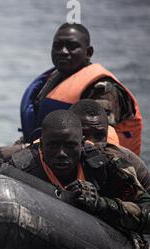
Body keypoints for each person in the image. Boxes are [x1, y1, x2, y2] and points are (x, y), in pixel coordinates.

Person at [9, 110, 150, 234]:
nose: (61, 153)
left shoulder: (107, 165)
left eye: (70, 145)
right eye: (53, 146)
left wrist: (100, 204)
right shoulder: (20, 169)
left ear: (82, 144)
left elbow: (146, 212)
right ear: (41, 144)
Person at [20, 23, 142, 155]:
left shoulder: (103, 89)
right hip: (49, 156)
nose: (63, 52)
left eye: (72, 47)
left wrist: (25, 150)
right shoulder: (52, 78)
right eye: (58, 46)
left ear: (88, 52)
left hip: (98, 167)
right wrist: (21, 145)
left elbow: (94, 144)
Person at [69, 99, 150, 191]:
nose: (90, 143)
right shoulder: (57, 155)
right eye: (83, 135)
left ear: (107, 133)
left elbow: (144, 202)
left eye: (99, 136)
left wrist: (102, 202)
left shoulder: (125, 161)